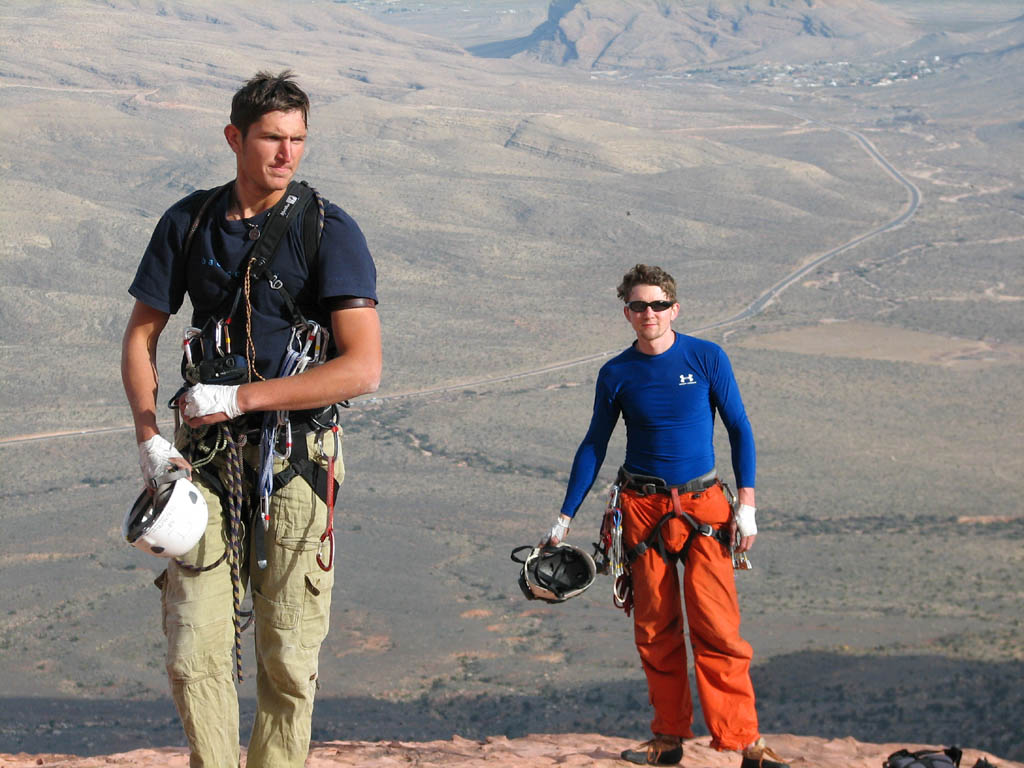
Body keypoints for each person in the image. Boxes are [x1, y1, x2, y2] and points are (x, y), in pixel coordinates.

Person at [121, 70, 381, 768]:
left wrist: (241, 399)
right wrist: (150, 440)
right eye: (271, 138)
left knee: (289, 657)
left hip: (297, 463)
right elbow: (141, 335)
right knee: (193, 645)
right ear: (235, 138)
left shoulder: (328, 230)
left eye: (297, 140)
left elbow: (362, 367)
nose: (285, 154)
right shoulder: (190, 221)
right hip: (203, 463)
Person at [542, 264, 788, 768]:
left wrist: (748, 506)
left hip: (705, 508)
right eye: (638, 305)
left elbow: (739, 427)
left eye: (657, 304)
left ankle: (745, 742)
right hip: (641, 509)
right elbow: (595, 443)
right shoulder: (616, 373)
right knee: (655, 629)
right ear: (626, 312)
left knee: (718, 628)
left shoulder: (705, 357)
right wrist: (564, 518)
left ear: (674, 309)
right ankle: (668, 739)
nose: (648, 313)